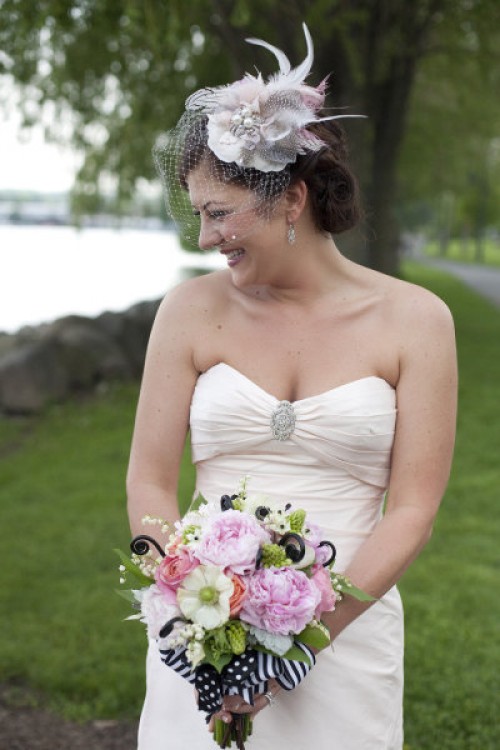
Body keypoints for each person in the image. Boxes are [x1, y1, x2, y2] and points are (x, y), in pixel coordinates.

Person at [126, 24, 457, 750]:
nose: (204, 238)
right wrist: (191, 607)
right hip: (204, 636)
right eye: (199, 214)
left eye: (219, 213)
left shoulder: (417, 321)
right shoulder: (188, 312)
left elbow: (413, 510)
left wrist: (299, 645)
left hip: (348, 635)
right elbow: (148, 481)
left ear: (292, 200)